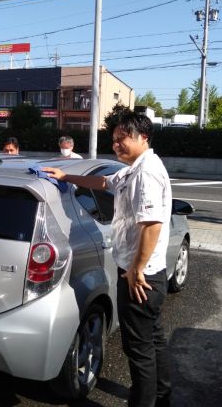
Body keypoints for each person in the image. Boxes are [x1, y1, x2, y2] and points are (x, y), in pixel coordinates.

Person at [44, 111, 172, 407]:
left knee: (139, 350)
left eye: (123, 138)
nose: (116, 144)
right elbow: (104, 183)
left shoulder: (146, 173)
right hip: (147, 274)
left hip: (141, 278)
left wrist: (137, 269)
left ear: (143, 137)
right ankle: (163, 396)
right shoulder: (133, 169)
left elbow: (151, 225)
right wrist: (66, 176)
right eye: (114, 139)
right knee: (153, 340)